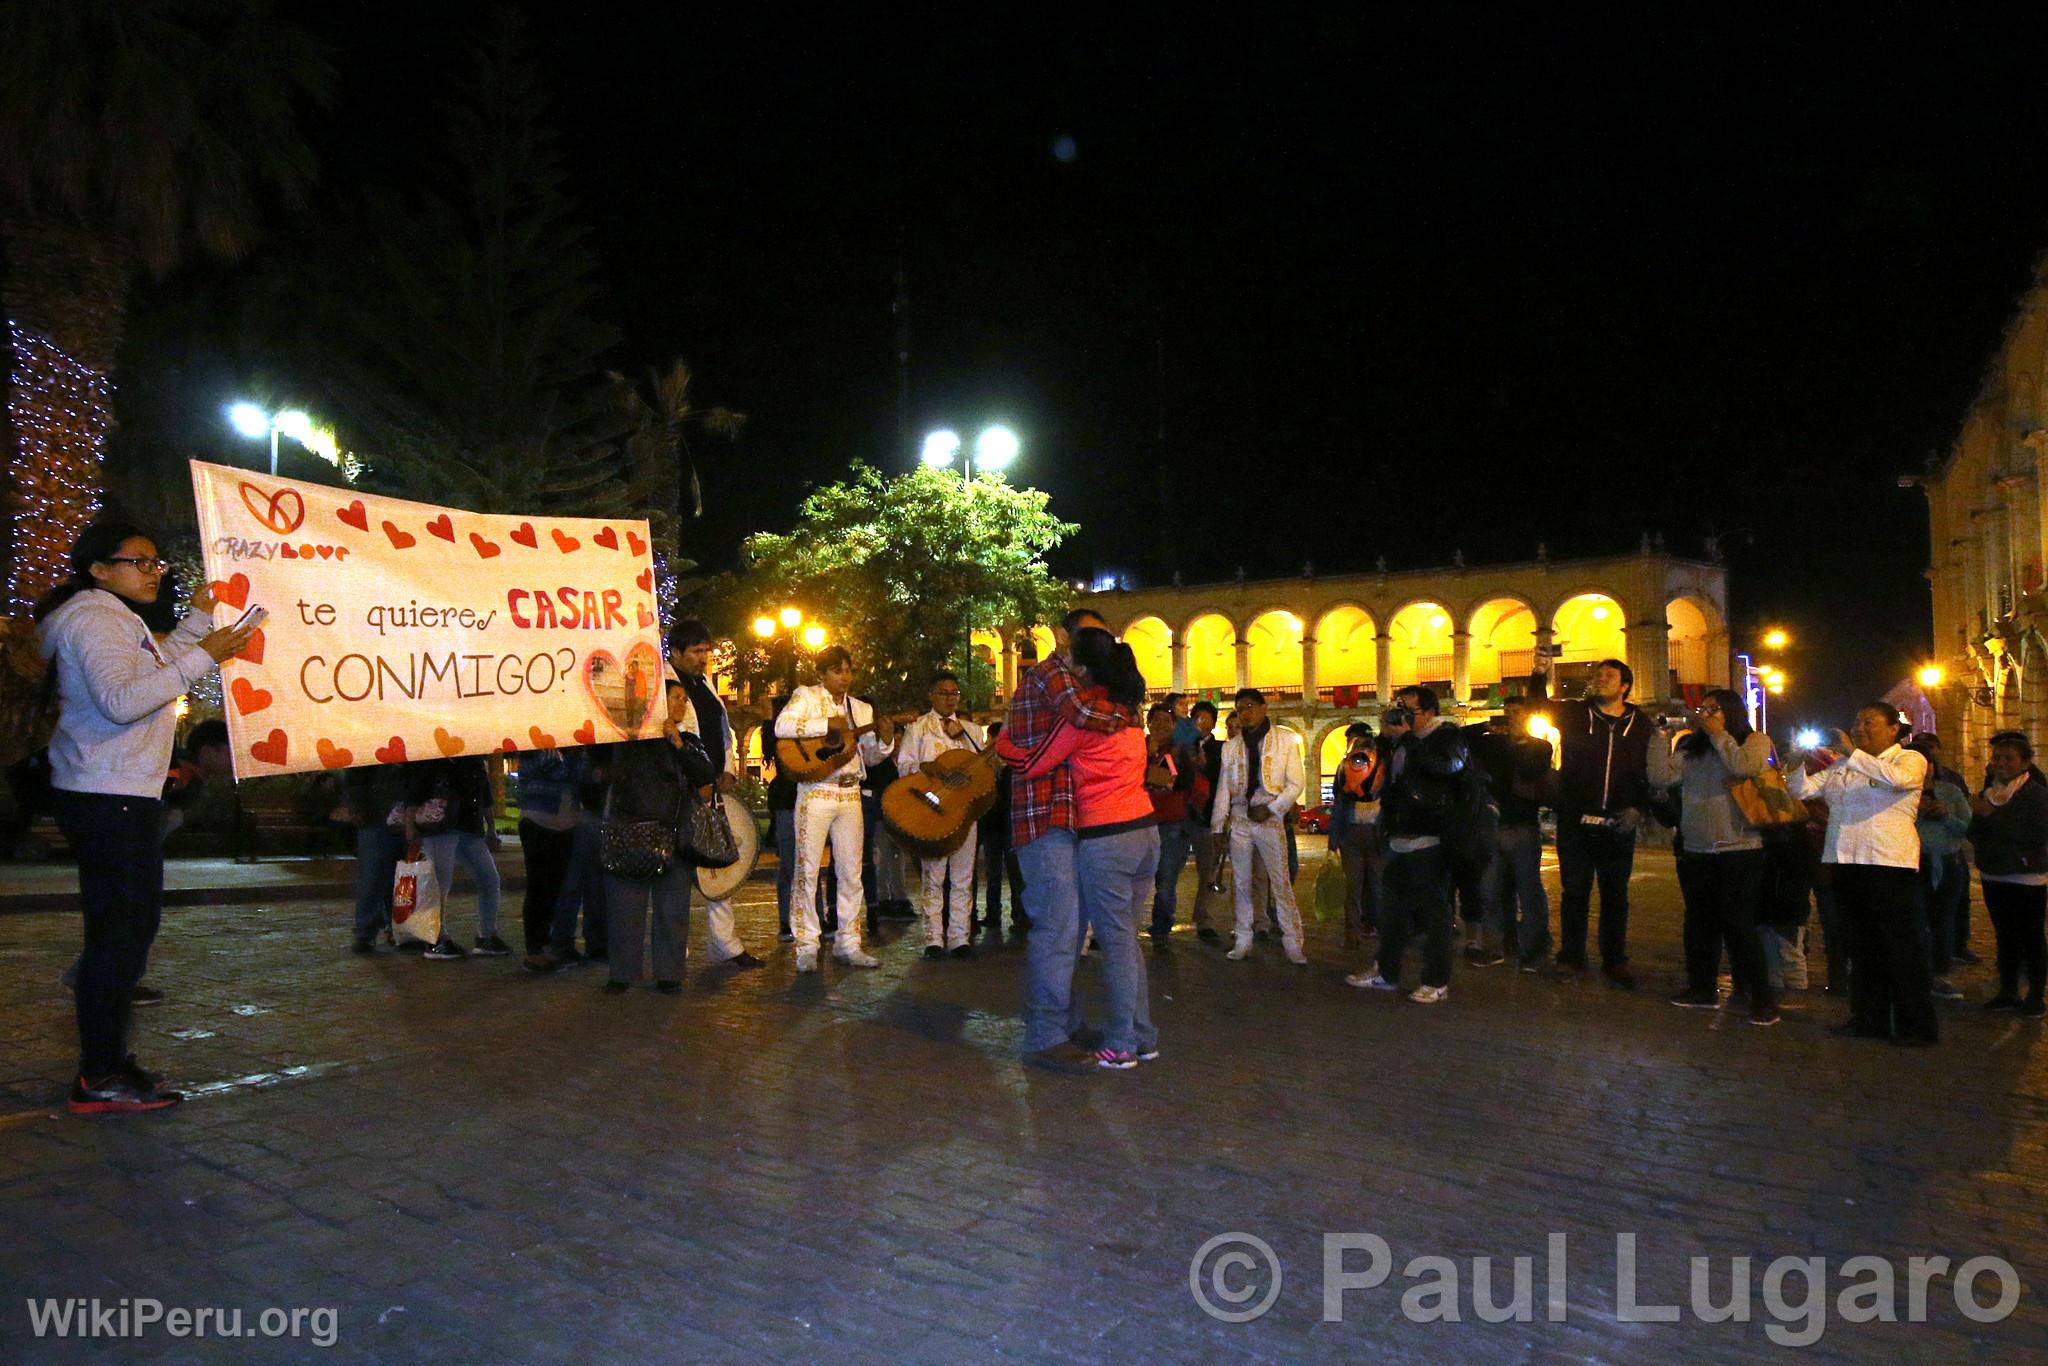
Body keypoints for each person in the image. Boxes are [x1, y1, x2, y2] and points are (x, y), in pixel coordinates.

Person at [35, 519, 259, 1113]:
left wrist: (200, 623)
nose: (154, 571)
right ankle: (100, 1072)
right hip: (109, 794)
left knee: (127, 930)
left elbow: (151, 670)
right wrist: (202, 656)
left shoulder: (112, 616)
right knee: (122, 936)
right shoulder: (95, 619)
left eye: (157, 562)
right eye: (139, 562)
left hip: (113, 791)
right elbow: (122, 702)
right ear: (99, 569)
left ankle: (105, 1058)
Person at [999, 626, 1159, 1068]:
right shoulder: (1089, 696)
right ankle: (1124, 1035)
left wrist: (1003, 744)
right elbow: (1080, 711)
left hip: (1099, 832)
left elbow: (1032, 759)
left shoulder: (1088, 713)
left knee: (1097, 936)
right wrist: (1123, 711)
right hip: (1120, 827)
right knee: (1090, 932)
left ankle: (1115, 1038)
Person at [1787, 703, 1937, 1045]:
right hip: (1846, 862)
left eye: (1870, 722)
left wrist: (1852, 754)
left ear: (1893, 729)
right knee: (1861, 947)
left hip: (1888, 864)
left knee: (1900, 948)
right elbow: (1803, 791)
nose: (1860, 728)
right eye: (1857, 721)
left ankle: (1916, 1025)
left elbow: (1899, 781)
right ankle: (1869, 1018)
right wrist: (1795, 763)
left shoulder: (1908, 759)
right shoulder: (1843, 766)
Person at [1649, 688, 1780, 1026]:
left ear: (1731, 712)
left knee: (1739, 924)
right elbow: (1661, 776)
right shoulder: (1692, 747)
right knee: (1699, 923)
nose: (1705, 714)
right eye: (1703, 709)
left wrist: (1719, 735)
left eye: (1713, 709)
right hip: (1697, 849)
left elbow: (1744, 766)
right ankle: (1701, 989)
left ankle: (1761, 998)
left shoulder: (1755, 741)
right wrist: (1660, 737)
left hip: (1740, 848)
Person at [1529, 655, 1656, 989]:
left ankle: (1615, 960)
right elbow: (1537, 705)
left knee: (1615, 895)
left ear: (1625, 686)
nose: (1599, 679)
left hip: (1618, 822)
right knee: (1574, 892)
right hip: (1576, 821)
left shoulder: (1641, 724)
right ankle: (1571, 957)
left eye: (1608, 676)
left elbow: (1650, 772)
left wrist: (1638, 808)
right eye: (1597, 675)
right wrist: (1539, 674)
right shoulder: (1575, 713)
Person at [772, 645, 896, 971]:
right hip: (816, 790)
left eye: (848, 670)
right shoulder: (806, 696)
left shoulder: (862, 710)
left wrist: (885, 741)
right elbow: (782, 726)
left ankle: (848, 942)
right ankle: (806, 946)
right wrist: (828, 725)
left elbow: (870, 757)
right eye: (836, 670)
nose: (844, 677)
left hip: (851, 792)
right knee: (808, 869)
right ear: (822, 673)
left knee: (851, 872)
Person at [1348, 687, 1473, 1003]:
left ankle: (1436, 981)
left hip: (1431, 840)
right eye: (1399, 708)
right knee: (1392, 913)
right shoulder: (1399, 743)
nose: (1402, 715)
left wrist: (1406, 738)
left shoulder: (1447, 737)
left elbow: (1447, 767)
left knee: (1435, 916)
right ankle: (1386, 972)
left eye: (1409, 710)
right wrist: (1383, 738)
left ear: (1429, 712)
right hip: (1399, 839)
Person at [599, 702, 719, 995]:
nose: (681, 704)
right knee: (625, 910)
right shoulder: (626, 739)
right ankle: (622, 974)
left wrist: (679, 744)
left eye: (683, 699)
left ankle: (669, 974)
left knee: (672, 910)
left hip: (674, 834)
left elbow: (706, 773)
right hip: (629, 833)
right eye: (674, 698)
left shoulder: (686, 741)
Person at [669, 619, 765, 969]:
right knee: (678, 871)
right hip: (681, 789)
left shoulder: (705, 684)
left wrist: (727, 768)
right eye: (696, 651)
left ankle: (725, 943)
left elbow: (721, 732)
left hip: (710, 786)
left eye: (706, 651)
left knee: (718, 861)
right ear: (676, 652)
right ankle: (673, 949)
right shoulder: (666, 685)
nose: (703, 658)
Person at [1210, 688, 1309, 964]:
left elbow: (1296, 783)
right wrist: (1217, 827)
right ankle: (1243, 938)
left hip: (1270, 819)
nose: (1245, 713)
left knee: (1280, 882)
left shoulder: (1285, 740)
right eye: (1240, 708)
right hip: (1241, 818)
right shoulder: (1231, 747)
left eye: (1250, 706)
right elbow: (1223, 790)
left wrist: (1273, 808)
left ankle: (1293, 941)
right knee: (1241, 881)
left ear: (1264, 708)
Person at [899, 671, 986, 959]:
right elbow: (905, 767)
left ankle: (960, 937)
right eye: (944, 693)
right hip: (933, 810)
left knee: (963, 877)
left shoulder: (971, 731)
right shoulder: (918, 729)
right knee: (933, 875)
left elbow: (982, 767)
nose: (950, 699)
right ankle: (933, 939)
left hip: (964, 811)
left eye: (955, 694)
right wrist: (927, 768)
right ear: (931, 695)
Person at [1969, 731, 2048, 1016]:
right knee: (2005, 936)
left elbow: (2035, 834)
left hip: (2026, 877)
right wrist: (1979, 821)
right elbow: (1974, 832)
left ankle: (2036, 996)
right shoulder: (1989, 793)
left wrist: (1991, 816)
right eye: (1997, 758)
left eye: (2009, 759)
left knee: (2031, 936)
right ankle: (2008, 990)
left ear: (2025, 762)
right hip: (1994, 874)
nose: (2001, 763)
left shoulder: (2036, 794)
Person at [1471, 697, 1552, 971]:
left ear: (1528, 716)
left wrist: (1516, 743)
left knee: (1528, 891)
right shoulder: (1494, 745)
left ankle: (1533, 950)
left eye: (1517, 712)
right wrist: (1487, 726)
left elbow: (1529, 772)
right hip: (1494, 826)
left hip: (1523, 827)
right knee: (1489, 891)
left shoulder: (1540, 747)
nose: (1511, 716)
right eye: (1507, 712)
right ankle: (1494, 947)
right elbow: (1465, 738)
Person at [404, 755, 510, 960]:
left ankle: (485, 935)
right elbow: (416, 790)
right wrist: (410, 824)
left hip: (463, 826)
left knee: (488, 879)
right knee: (440, 884)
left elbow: (484, 794)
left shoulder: (471, 759)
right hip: (442, 826)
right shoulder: (435, 758)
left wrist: (490, 827)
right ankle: (436, 938)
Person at [1907, 738, 1971, 1002]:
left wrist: (1946, 815)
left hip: (1948, 863)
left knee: (1944, 920)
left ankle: (1940, 973)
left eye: (1928, 764)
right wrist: (1915, 812)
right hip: (1913, 863)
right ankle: (1917, 973)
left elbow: (1967, 827)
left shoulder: (1950, 792)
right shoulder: (1900, 794)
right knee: (1916, 920)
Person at [1141, 701, 1199, 949]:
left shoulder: (1179, 750)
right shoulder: (1137, 747)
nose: (1161, 725)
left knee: (1165, 882)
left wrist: (1159, 759)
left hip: (1171, 824)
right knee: (1130, 880)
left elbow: (1180, 782)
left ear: (1174, 725)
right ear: (1148, 723)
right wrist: (1148, 755)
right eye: (1156, 720)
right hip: (1139, 823)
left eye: (1167, 721)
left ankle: (1161, 928)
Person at [343, 758, 411, 953]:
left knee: (398, 877)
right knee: (374, 875)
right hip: (377, 814)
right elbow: (355, 775)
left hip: (394, 812)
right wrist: (357, 807)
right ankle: (369, 930)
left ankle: (391, 928)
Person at [1327, 721, 1383, 953]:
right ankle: (1380, 931)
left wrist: (1333, 840)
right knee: (1377, 885)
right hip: (1376, 832)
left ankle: (1352, 935)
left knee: (1354, 887)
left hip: (1352, 832)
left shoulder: (1345, 765)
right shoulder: (1382, 761)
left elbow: (1339, 801)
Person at [975, 721, 1028, 938]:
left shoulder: (1011, 767)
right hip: (992, 826)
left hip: (1008, 824)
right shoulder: (985, 766)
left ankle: (1018, 915)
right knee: (994, 873)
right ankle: (994, 914)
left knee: (1014, 873)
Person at [1186, 700, 1227, 942]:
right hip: (1182, 815)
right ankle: (1163, 919)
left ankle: (1204, 919)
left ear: (1213, 723)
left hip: (1207, 816)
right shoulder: (1182, 746)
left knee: (1208, 871)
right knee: (1167, 870)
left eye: (1206, 718)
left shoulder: (1221, 749)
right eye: (1197, 718)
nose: (1201, 722)